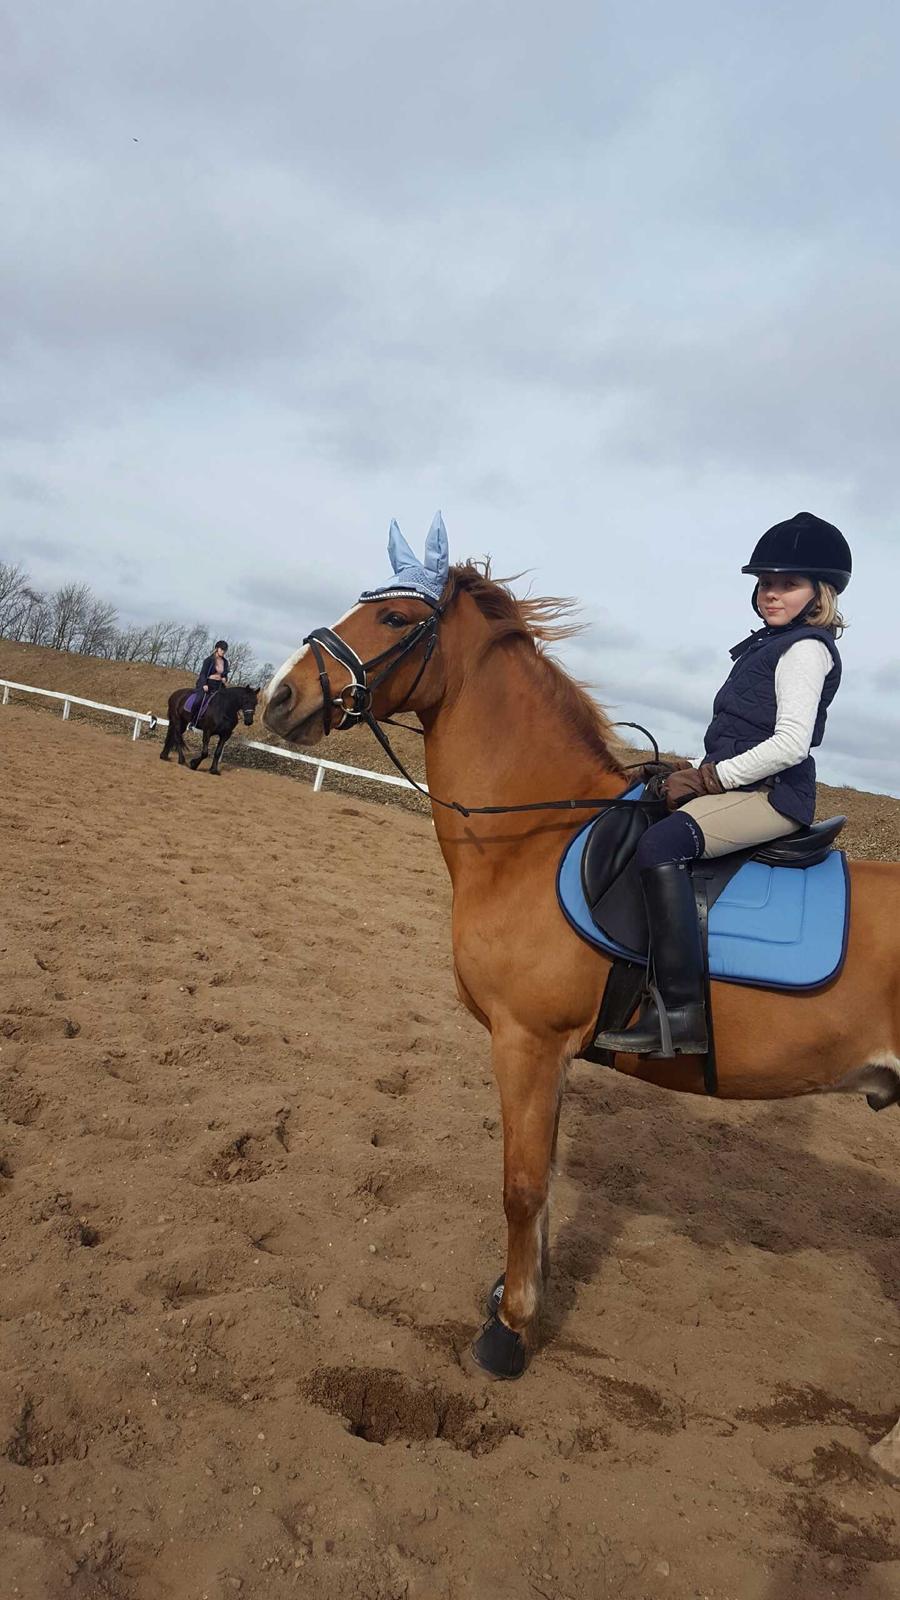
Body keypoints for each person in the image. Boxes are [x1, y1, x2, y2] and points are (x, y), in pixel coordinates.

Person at [595, 512, 851, 1060]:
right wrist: (683, 768)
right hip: (741, 783)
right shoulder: (767, 646)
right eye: (766, 584)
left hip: (773, 797)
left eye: (788, 584)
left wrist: (709, 779)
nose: (772, 594)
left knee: (661, 846)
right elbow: (737, 736)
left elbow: (790, 745)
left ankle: (682, 1015)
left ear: (818, 594)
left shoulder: (805, 649)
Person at [191, 640, 230, 728]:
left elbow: (225, 674)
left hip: (219, 685)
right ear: (217, 649)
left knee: (227, 701)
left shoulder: (225, 662)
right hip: (208, 683)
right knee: (198, 700)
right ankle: (193, 720)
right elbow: (203, 673)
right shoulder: (209, 660)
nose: (223, 651)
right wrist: (204, 684)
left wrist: (224, 678)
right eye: (222, 649)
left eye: (225, 650)